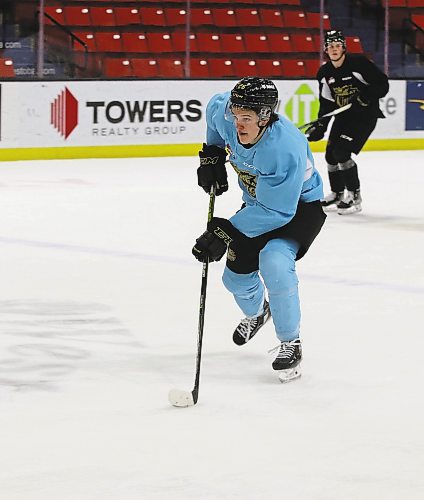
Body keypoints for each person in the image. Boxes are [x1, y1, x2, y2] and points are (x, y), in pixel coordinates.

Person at [191, 77, 326, 382]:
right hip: (257, 206)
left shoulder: (284, 148)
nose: (238, 124)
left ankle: (291, 342)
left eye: (247, 118)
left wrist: (223, 232)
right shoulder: (224, 112)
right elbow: (214, 109)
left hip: (299, 210)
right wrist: (212, 154)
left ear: (265, 117)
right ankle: (258, 313)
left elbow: (278, 211)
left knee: (275, 262)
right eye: (235, 115)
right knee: (234, 279)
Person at [306, 29, 389, 215]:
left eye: (337, 46)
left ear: (343, 47)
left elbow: (382, 83)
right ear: (326, 50)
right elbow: (326, 102)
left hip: (365, 116)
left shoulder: (358, 63)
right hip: (343, 116)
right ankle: (337, 193)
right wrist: (321, 125)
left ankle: (354, 196)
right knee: (330, 155)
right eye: (330, 46)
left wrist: (366, 97)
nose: (334, 49)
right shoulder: (325, 72)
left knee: (341, 152)